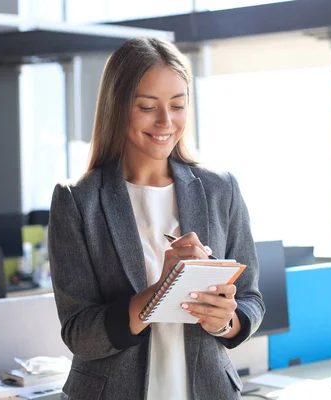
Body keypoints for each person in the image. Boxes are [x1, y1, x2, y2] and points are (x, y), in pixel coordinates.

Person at [48, 37, 265, 400]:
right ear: (117, 108)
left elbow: (251, 299)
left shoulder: (219, 189)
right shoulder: (77, 200)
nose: (166, 121)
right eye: (148, 106)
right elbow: (79, 333)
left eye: (178, 105)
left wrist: (227, 320)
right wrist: (158, 294)